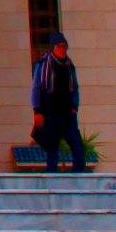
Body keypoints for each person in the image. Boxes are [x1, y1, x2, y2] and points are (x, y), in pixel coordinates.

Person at [31, 32, 86, 173]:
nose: (62, 50)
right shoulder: (43, 64)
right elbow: (37, 88)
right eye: (60, 47)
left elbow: (75, 88)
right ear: (53, 48)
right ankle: (52, 179)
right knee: (52, 150)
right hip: (50, 113)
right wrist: (37, 111)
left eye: (64, 47)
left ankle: (78, 178)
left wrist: (74, 107)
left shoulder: (69, 65)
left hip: (67, 114)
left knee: (78, 147)